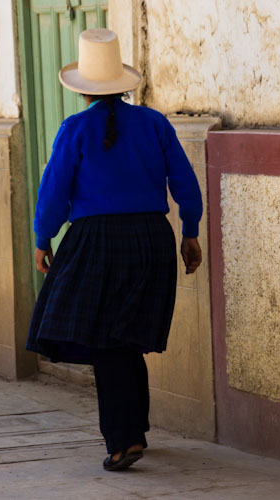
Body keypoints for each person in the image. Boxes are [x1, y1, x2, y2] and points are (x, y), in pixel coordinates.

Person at [26, 28, 203, 471]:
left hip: (96, 242)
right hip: (150, 238)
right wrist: (190, 231)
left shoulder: (75, 128)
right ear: (123, 83)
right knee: (126, 337)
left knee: (106, 340)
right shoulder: (155, 123)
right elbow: (184, 182)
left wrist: (42, 239)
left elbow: (53, 194)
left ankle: (123, 442)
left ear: (83, 89)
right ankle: (136, 430)